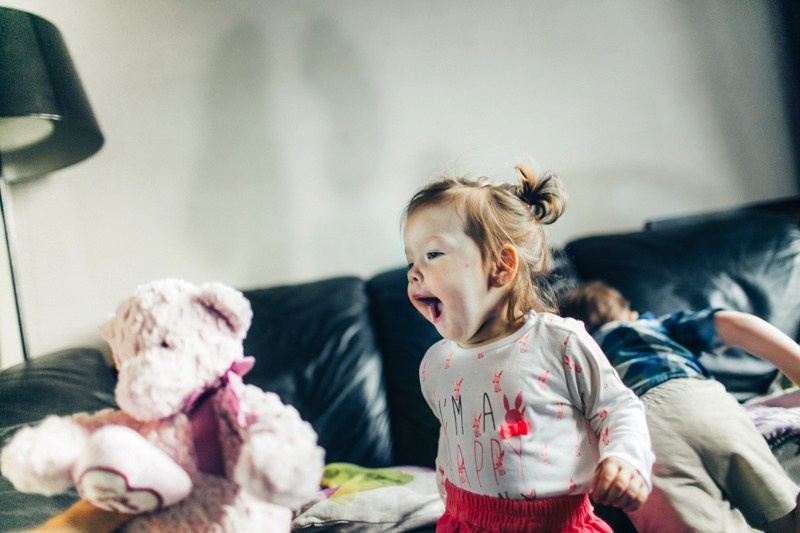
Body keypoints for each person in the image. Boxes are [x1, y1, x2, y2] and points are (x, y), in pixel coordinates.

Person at [402, 163, 654, 533]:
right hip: (463, 522)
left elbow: (618, 408)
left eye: (433, 254)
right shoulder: (435, 364)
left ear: (501, 267)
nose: (413, 273)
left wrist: (625, 460)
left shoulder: (558, 342)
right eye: (411, 260)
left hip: (556, 523)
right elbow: (451, 439)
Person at [559, 280, 800, 533]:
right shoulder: (649, 325)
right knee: (781, 507)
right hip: (699, 399)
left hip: (635, 433)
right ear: (630, 314)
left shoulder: (576, 355)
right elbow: (731, 323)